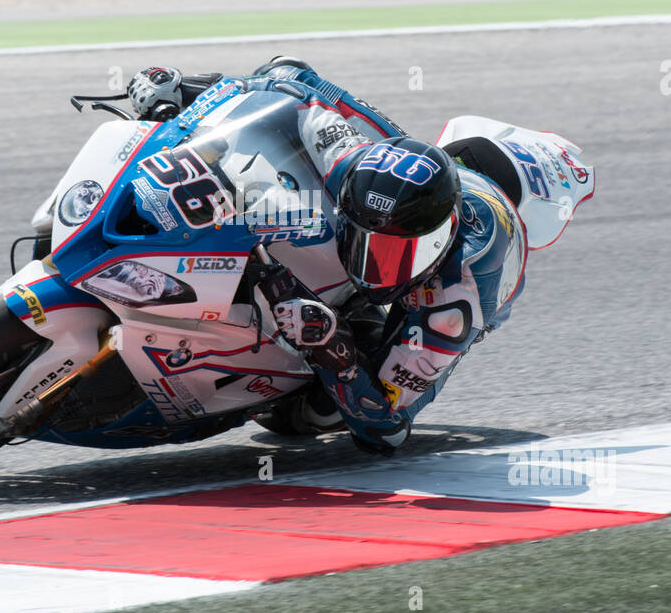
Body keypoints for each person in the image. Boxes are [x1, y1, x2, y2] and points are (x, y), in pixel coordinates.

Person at [127, 58, 527, 456]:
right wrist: (185, 92)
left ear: (435, 242)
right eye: (363, 242)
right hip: (404, 179)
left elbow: (385, 429)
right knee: (282, 74)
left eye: (392, 255)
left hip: (478, 268)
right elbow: (291, 88)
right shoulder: (348, 162)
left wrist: (332, 348)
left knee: (308, 414)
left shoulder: (456, 299)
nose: (372, 266)